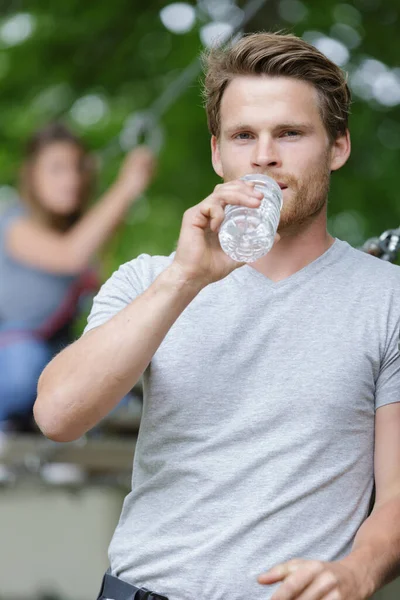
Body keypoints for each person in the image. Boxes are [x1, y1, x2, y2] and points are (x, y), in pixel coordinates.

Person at [33, 33, 400, 600]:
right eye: (243, 135)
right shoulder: (150, 278)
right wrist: (184, 280)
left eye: (290, 133)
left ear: (338, 147)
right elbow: (58, 416)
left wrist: (360, 569)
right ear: (217, 153)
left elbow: (398, 492)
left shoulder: (388, 298)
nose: (263, 157)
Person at [0, 122, 155, 429]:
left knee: (109, 392)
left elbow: (92, 254)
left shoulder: (78, 233)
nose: (70, 179)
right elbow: (70, 256)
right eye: (56, 169)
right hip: (13, 357)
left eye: (76, 168)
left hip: (55, 348)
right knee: (25, 366)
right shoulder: (13, 224)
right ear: (31, 176)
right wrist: (125, 187)